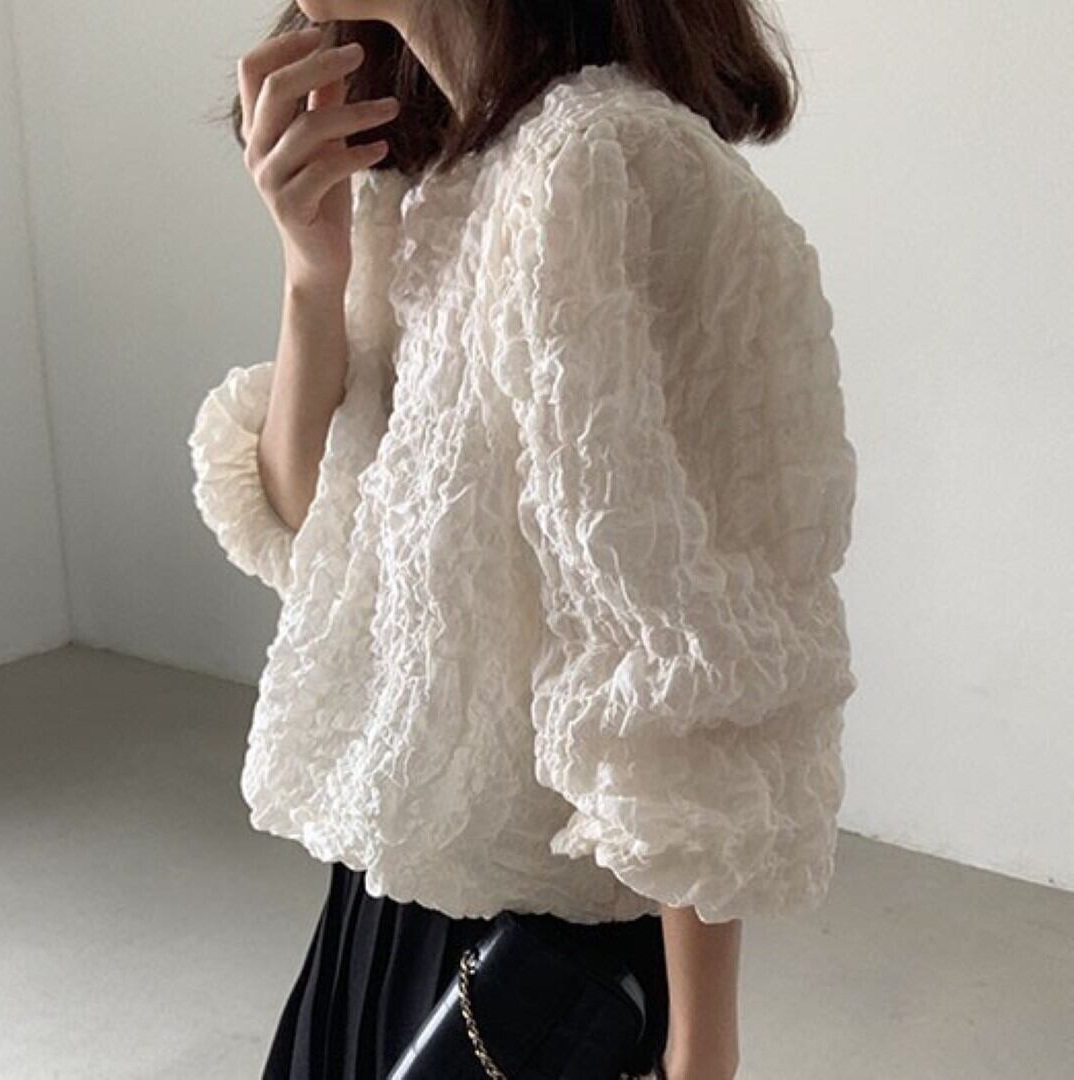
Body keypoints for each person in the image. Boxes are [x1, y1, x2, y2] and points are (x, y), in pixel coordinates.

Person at [187, 2, 858, 1077]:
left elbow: (681, 663)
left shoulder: (598, 165)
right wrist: (313, 272)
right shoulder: (431, 172)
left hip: (531, 947)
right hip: (386, 899)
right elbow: (320, 530)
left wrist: (701, 1054)